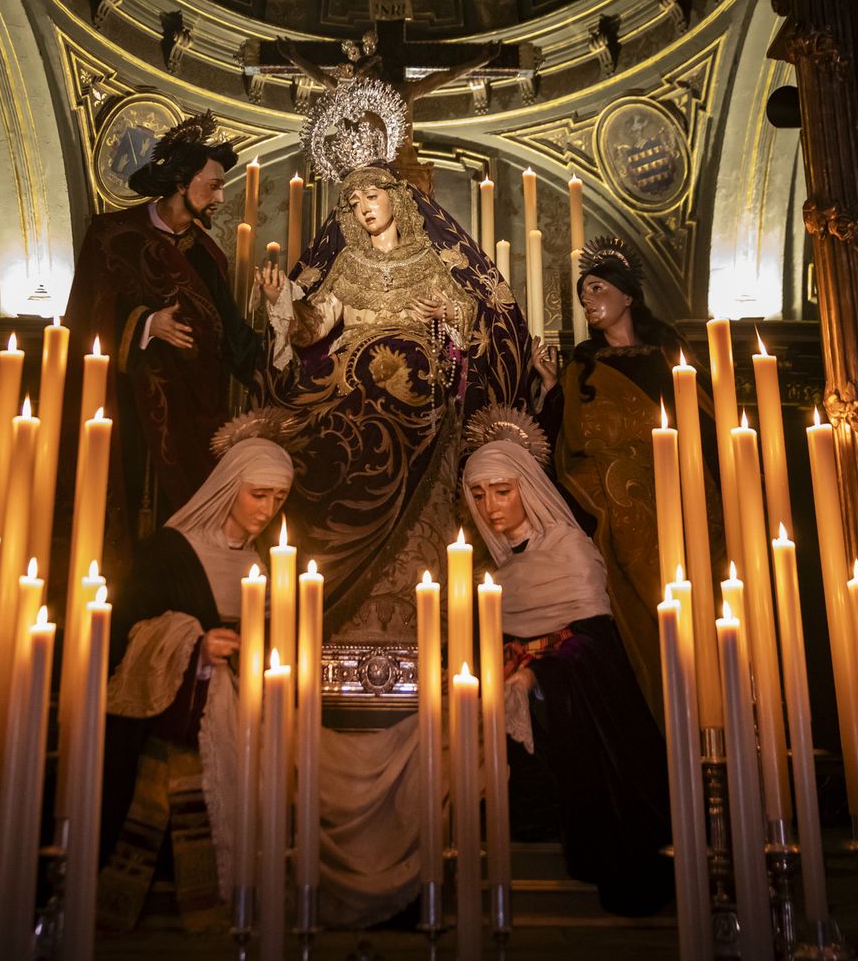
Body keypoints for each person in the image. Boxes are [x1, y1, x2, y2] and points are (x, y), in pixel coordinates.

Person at [256, 78, 531, 637]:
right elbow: (313, 328)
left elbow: (466, 334)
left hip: (415, 402)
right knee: (317, 435)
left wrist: (446, 318)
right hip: (348, 396)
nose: (362, 211)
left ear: (397, 198)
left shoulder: (431, 263)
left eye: (371, 198)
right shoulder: (347, 268)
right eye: (353, 203)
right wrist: (282, 301)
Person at [462, 431, 674, 916]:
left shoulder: (570, 552)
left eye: (502, 490)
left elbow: (596, 646)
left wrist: (538, 676)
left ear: (528, 488)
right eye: (478, 495)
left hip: (566, 705)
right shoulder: (495, 570)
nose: (490, 506)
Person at [98, 431, 291, 933]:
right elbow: (130, 632)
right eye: (258, 494)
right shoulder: (170, 551)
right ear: (230, 487)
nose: (267, 509)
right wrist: (195, 644)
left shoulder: (260, 565)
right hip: (176, 714)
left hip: (239, 713)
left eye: (279, 497)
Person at [532, 237, 721, 709]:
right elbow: (564, 445)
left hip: (682, 500)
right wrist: (554, 387)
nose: (589, 302)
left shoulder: (668, 358)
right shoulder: (584, 367)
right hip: (619, 518)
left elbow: (707, 424)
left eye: (597, 290)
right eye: (583, 296)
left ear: (628, 295)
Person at [62, 111, 261, 552]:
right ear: (179, 183)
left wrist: (287, 344)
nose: (221, 198)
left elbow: (231, 335)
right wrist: (147, 324)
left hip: (192, 419)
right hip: (126, 411)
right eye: (212, 185)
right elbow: (84, 321)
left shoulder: (209, 255)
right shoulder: (112, 236)